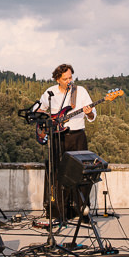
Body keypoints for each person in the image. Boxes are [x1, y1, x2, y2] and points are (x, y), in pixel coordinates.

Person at [36, 63, 96, 222]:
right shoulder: (50, 92)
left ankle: (82, 211)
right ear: (58, 79)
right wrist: (44, 122)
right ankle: (60, 213)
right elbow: (39, 110)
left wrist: (89, 113)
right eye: (65, 78)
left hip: (77, 136)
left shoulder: (80, 91)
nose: (69, 80)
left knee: (82, 174)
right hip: (58, 137)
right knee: (57, 173)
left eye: (70, 77)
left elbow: (92, 116)